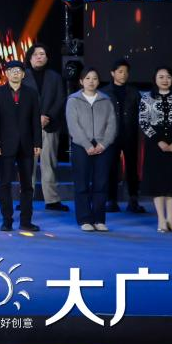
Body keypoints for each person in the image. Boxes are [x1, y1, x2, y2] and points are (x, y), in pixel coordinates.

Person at [0, 60, 41, 232]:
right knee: (5, 183)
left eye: (18, 70)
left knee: (27, 185)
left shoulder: (31, 93)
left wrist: (37, 142)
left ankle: (26, 221)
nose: (15, 73)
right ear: (6, 74)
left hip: (27, 145)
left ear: (23, 74)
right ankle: (7, 220)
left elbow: (35, 120)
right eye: (11, 70)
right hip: (4, 145)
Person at [66, 67, 117, 232]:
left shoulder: (106, 100)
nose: (91, 81)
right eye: (87, 78)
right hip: (81, 146)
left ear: (98, 81)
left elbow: (112, 124)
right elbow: (73, 125)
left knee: (101, 184)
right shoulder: (73, 100)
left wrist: (104, 144)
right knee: (81, 184)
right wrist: (87, 144)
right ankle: (84, 219)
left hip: (103, 146)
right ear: (81, 81)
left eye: (94, 78)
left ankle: (99, 219)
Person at [140, 66, 172, 234]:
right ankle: (161, 219)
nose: (165, 80)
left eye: (168, 76)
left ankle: (171, 219)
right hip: (155, 144)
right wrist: (158, 141)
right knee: (158, 182)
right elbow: (143, 122)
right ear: (155, 79)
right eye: (161, 76)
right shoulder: (147, 98)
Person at [22, 44, 68, 212]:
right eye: (35, 54)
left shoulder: (55, 77)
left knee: (49, 163)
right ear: (30, 58)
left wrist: (47, 116)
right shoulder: (23, 76)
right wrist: (35, 118)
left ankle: (52, 200)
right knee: (28, 164)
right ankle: (26, 198)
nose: (39, 57)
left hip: (50, 125)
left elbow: (61, 99)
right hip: (28, 127)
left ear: (47, 58)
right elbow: (18, 100)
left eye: (42, 54)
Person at [102, 58, 146, 213]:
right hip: (111, 135)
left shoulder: (134, 92)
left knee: (132, 168)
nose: (123, 75)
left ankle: (133, 200)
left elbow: (141, 114)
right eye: (120, 72)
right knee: (111, 167)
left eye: (126, 72)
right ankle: (111, 200)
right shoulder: (104, 92)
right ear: (112, 73)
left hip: (130, 134)